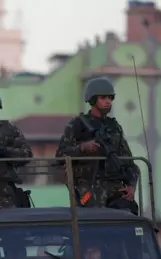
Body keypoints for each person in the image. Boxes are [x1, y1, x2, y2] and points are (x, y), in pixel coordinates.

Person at [55, 77, 140, 212]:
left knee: (129, 212)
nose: (108, 102)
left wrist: (131, 185)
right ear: (93, 100)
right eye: (103, 98)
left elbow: (130, 163)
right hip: (87, 189)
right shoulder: (78, 124)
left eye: (110, 98)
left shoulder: (114, 127)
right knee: (93, 217)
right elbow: (60, 156)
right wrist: (82, 148)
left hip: (114, 187)